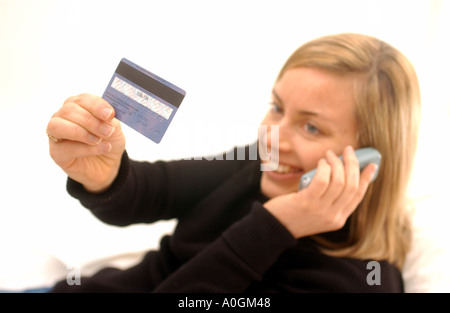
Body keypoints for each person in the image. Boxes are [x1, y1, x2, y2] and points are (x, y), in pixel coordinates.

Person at [46, 33, 420, 292]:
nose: (271, 137)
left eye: (310, 127)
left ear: (371, 159)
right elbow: (155, 190)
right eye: (276, 108)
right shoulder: (259, 163)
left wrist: (277, 225)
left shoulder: (352, 281)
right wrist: (106, 175)